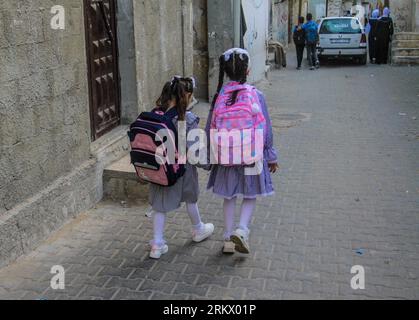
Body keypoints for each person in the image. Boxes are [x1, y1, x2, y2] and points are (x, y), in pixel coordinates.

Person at [206, 48, 279, 254]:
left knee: (229, 197)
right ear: (248, 71)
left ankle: (228, 239)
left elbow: (211, 127)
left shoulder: (219, 96)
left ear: (226, 72)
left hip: (226, 156)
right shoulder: (256, 95)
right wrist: (270, 156)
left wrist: (210, 156)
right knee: (250, 194)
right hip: (251, 155)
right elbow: (266, 129)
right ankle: (242, 229)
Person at [148, 77, 214, 259]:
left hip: (160, 169)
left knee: (159, 207)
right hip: (182, 171)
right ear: (187, 96)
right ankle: (198, 229)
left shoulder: (155, 115)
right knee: (191, 200)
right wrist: (208, 164)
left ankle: (157, 244)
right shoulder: (187, 119)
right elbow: (194, 152)